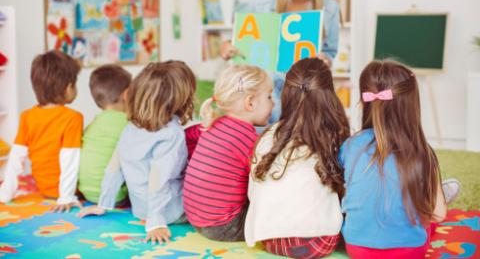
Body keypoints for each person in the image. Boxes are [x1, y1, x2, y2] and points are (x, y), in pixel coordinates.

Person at [339, 60, 457, 258]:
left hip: (357, 249)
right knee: (429, 215)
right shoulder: (421, 152)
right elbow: (439, 215)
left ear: (365, 101)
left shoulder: (350, 145)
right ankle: (438, 193)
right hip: (410, 251)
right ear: (412, 106)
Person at [78, 61, 196, 244]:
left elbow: (114, 167)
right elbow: (159, 179)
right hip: (168, 212)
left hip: (140, 208)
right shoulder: (172, 134)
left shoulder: (130, 128)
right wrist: (155, 221)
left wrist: (104, 203)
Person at [245, 58, 349, 258]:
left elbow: (253, 192)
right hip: (320, 241)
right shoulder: (335, 136)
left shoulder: (268, 136)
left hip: (270, 239)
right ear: (329, 96)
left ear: (286, 94)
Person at [222, 0, 340, 124]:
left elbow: (330, 52)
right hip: (260, 103)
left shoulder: (329, 6)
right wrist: (226, 47)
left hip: (304, 102)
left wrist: (325, 61)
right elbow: (240, 40)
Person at [183, 64, 274, 241]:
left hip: (195, 218)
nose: (274, 103)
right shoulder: (246, 138)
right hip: (224, 226)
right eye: (269, 96)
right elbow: (265, 177)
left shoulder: (215, 124)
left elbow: (189, 135)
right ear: (250, 102)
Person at [0, 51, 83, 212]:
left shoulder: (27, 116)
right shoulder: (73, 118)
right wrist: (66, 196)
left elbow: (16, 157)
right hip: (65, 190)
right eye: (75, 84)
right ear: (68, 88)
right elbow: (70, 159)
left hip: (44, 188)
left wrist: (5, 192)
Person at [78, 64, 131, 204]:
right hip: (115, 196)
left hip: (87, 191)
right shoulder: (128, 124)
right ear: (126, 95)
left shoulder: (93, 124)